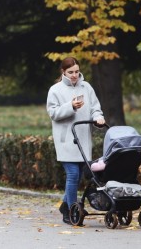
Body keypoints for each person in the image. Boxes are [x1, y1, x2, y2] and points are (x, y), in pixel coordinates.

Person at [46, 57, 104, 225]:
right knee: (72, 175)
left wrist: (98, 118)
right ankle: (72, 209)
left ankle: (66, 206)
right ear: (63, 72)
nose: (74, 75)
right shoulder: (55, 90)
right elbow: (53, 113)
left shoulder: (87, 87)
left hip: (83, 139)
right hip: (66, 140)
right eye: (70, 72)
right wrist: (70, 106)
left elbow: (95, 107)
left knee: (78, 177)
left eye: (76, 71)